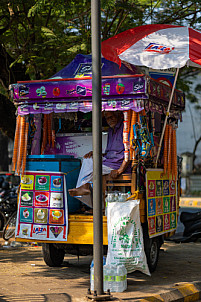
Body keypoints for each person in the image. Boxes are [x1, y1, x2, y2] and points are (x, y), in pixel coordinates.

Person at [68, 111, 130, 205]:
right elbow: (111, 152)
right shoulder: (110, 130)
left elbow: (129, 152)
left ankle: (84, 187)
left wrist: (119, 170)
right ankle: (85, 188)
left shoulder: (124, 129)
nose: (110, 119)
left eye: (112, 116)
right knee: (88, 159)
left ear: (118, 115)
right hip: (109, 162)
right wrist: (97, 154)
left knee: (90, 172)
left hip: (117, 164)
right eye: (108, 118)